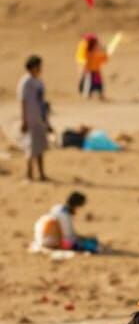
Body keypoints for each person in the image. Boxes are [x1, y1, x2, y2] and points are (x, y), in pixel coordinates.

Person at [18, 54, 53, 182]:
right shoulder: (25, 82)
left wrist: (47, 120)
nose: (40, 68)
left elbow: (42, 101)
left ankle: (42, 174)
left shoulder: (39, 82)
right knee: (30, 148)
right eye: (38, 66)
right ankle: (29, 175)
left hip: (40, 119)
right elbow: (23, 102)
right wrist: (24, 121)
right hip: (30, 119)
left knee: (40, 147)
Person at [32, 190, 100, 253]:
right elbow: (68, 238)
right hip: (50, 241)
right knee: (91, 245)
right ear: (77, 206)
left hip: (40, 239)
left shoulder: (57, 208)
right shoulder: (65, 215)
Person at [76, 33, 108, 98]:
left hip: (95, 70)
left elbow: (102, 59)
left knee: (98, 83)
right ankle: (86, 95)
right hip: (88, 70)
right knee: (88, 82)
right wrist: (83, 67)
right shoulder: (84, 47)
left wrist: (104, 53)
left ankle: (99, 95)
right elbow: (82, 59)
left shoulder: (95, 50)